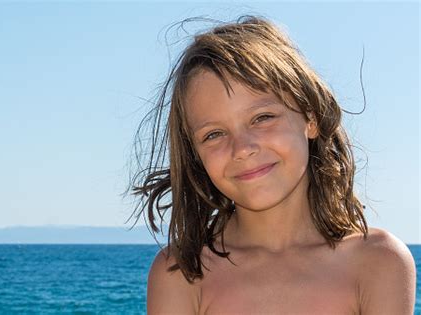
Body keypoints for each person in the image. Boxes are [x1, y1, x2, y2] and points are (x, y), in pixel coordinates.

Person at [128, 16, 416, 314]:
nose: (242, 149)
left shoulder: (378, 262)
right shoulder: (182, 274)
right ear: (195, 155)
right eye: (214, 134)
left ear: (310, 116)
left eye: (262, 118)